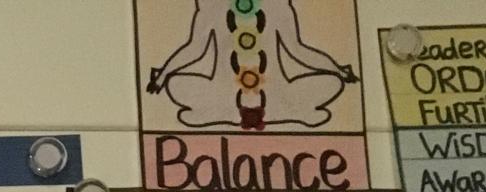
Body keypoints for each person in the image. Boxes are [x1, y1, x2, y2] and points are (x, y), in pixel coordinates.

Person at [146, 0, 356, 130]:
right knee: (175, 84)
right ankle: (230, 113)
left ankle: (285, 111)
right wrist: (163, 76)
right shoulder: (210, 5)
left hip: (277, 93)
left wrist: (337, 70)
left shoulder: (278, 5)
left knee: (333, 83)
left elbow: (297, 49)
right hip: (223, 94)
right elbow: (194, 49)